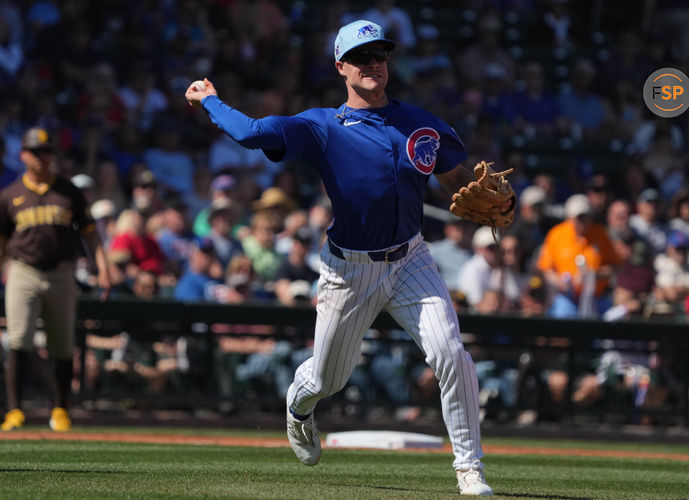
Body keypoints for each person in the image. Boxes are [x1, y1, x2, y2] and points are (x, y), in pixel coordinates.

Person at [185, 19, 501, 495]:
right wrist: (210, 99)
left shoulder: (422, 122)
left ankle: (469, 468)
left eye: (380, 55)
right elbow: (251, 134)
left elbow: (455, 181)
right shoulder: (322, 126)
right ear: (341, 67)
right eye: (361, 57)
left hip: (411, 258)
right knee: (328, 379)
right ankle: (299, 404)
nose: (373, 63)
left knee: (452, 353)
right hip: (349, 268)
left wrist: (486, 200)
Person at [0, 127, 111, 432]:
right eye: (36, 152)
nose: (42, 158)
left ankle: (61, 409)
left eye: (47, 151)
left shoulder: (68, 191)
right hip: (23, 270)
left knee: (62, 344)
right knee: (19, 339)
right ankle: (15, 410)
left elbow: (91, 233)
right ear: (23, 155)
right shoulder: (10, 195)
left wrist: (103, 268)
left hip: (62, 272)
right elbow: (2, 240)